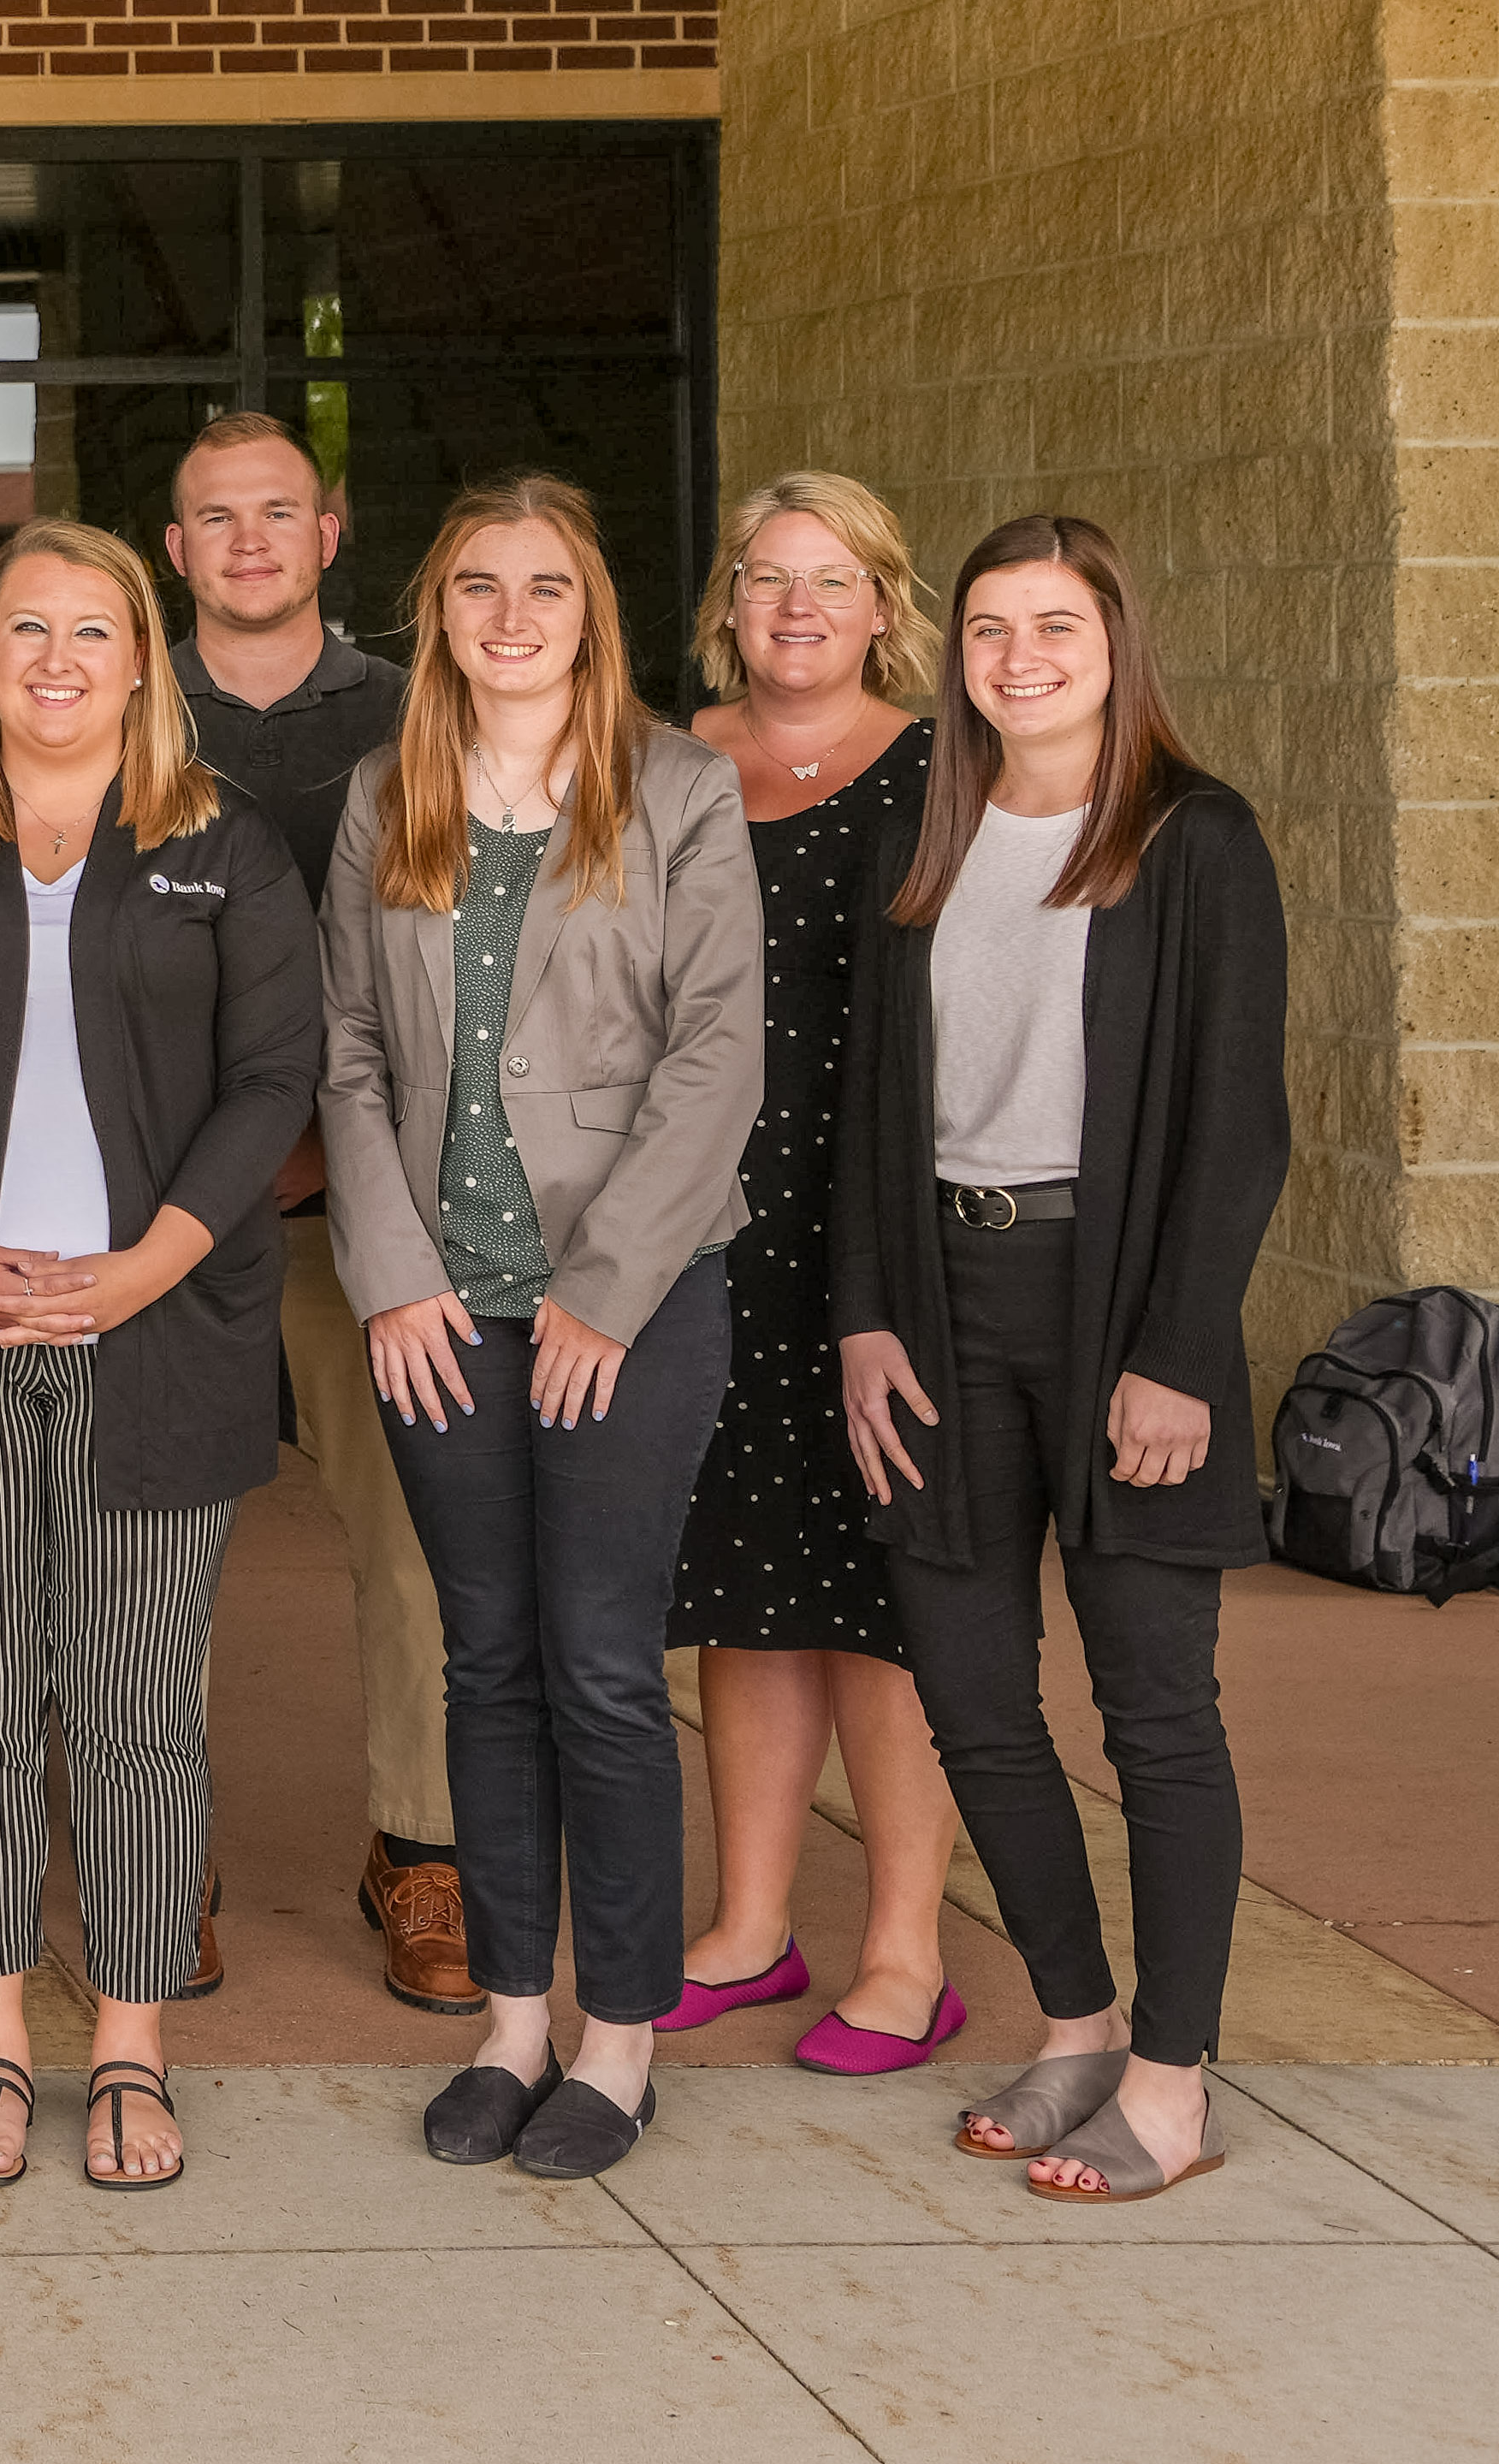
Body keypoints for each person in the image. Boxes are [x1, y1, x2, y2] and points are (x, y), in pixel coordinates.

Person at [0, 520, 318, 2187]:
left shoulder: (219, 841)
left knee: (139, 1705)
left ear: (139, 659)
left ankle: (134, 2048)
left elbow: (272, 1078)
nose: (54, 661)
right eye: (25, 628)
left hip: (156, 1334)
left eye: (91, 632)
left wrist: (139, 1270)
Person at [838, 515, 1285, 2203]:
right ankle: (1078, 2023)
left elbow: (1237, 1126)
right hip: (939, 1305)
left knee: (1154, 1713)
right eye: (989, 628)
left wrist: (1177, 1352)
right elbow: (867, 1111)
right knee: (971, 1698)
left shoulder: (1192, 839)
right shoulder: (924, 828)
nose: (1020, 656)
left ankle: (1170, 2081)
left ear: (1114, 640)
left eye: (1056, 624)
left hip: (1119, 1314)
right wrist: (866, 1314)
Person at [319, 473, 758, 2183]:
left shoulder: (678, 790)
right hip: (439, 1308)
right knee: (481, 1658)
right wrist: (388, 1267)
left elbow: (716, 1052)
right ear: (435, 610)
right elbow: (349, 1049)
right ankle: (513, 2015)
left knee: (597, 1665)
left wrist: (601, 1289)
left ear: (592, 613)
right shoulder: (386, 790)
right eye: (478, 584)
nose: (511, 614)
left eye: (546, 588)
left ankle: (618, 2035)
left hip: (624, 1305)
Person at [663, 475, 967, 2070]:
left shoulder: (938, 772)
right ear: (729, 598)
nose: (795, 606)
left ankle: (908, 1950)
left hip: (875, 1232)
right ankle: (749, 1922)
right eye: (768, 577)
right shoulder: (667, 758)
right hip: (702, 1224)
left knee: (878, 1586)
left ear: (879, 603)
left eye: (830, 579)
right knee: (741, 1576)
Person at [162, 410, 463, 2012]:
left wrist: (339, 1155)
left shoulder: (421, 716)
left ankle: (421, 1849)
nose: (251, 540)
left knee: (415, 1543)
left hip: (375, 1219)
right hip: (170, 1221)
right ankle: (165, 1864)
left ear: (329, 529)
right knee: (155, 1553)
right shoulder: (123, 710)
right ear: (176, 549)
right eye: (218, 518)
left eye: (278, 512)